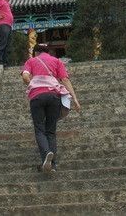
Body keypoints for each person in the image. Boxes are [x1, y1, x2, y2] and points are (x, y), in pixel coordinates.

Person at [21, 43, 81, 173]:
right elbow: (64, 79)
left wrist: (33, 83)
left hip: (37, 97)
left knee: (39, 129)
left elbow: (25, 76)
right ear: (48, 52)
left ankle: (47, 153)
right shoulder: (56, 61)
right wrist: (75, 99)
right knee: (51, 131)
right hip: (53, 97)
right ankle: (51, 165)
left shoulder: (31, 61)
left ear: (36, 52)